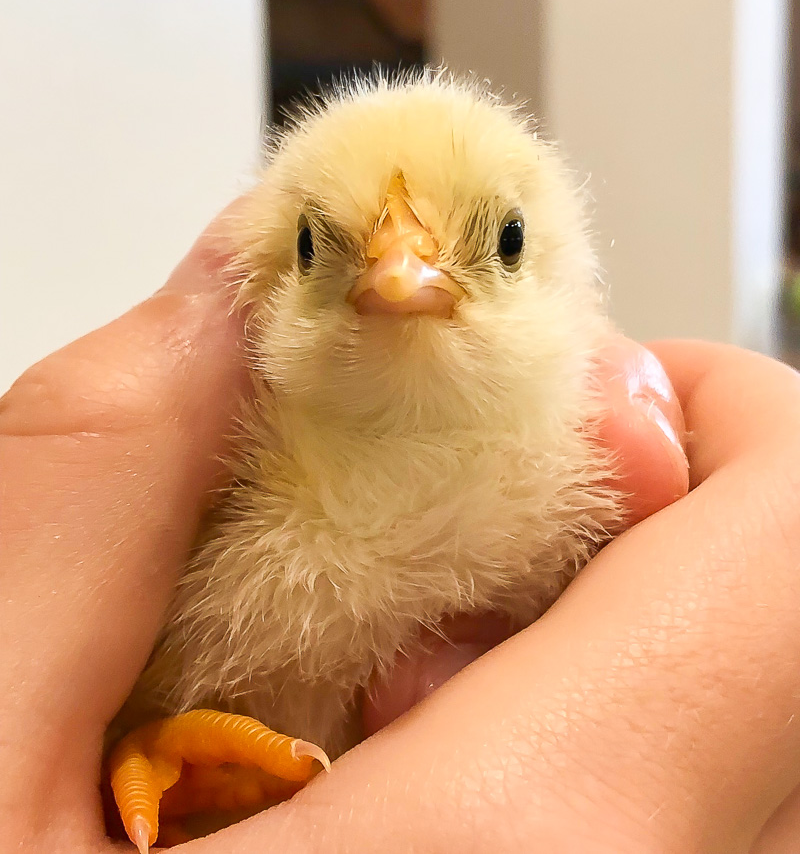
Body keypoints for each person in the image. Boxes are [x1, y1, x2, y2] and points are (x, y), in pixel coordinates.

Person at [2, 207, 799, 853]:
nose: (400, 263)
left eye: (501, 241)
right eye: (325, 245)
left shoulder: (577, 458)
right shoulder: (211, 458)